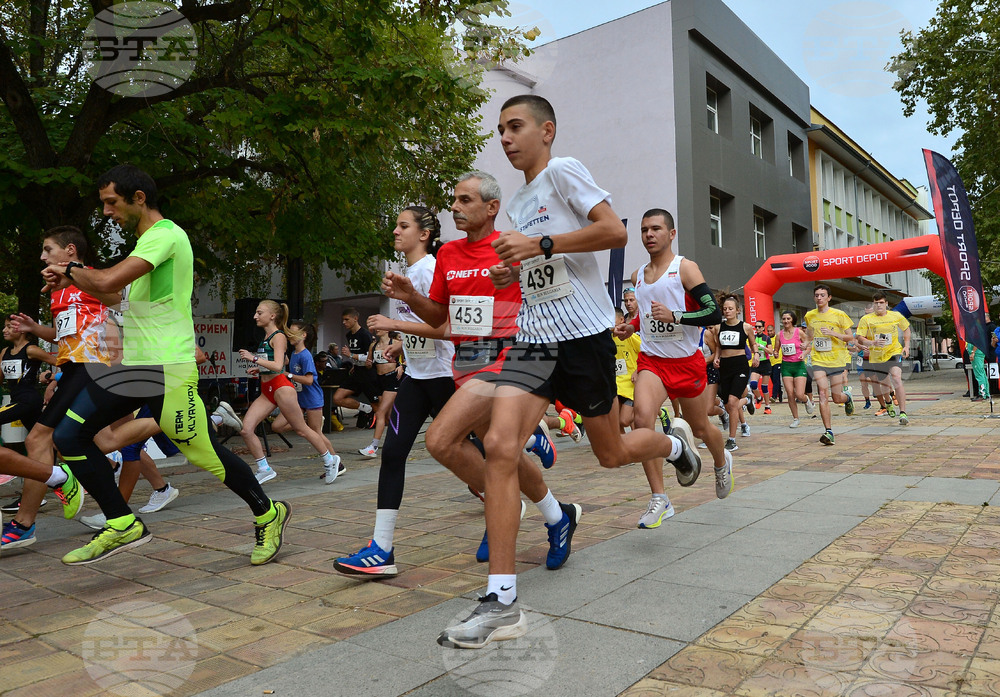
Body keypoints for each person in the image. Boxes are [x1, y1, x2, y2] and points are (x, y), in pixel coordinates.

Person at [434, 97, 707, 649]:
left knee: (612, 453)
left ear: (546, 130)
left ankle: (675, 448)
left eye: (516, 127)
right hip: (535, 338)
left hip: (583, 339)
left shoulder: (563, 171)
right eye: (501, 130)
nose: (506, 138)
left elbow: (613, 233)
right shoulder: (518, 203)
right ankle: (502, 601)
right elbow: (540, 268)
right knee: (501, 447)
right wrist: (516, 268)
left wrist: (541, 244)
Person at [41, 164, 288, 566]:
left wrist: (70, 270)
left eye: (111, 202)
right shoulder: (145, 248)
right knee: (69, 436)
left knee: (203, 453)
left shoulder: (166, 235)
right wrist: (74, 281)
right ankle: (122, 523)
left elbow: (106, 282)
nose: (106, 212)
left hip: (167, 367)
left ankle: (268, 512)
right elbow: (116, 295)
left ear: (139, 198)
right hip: (138, 368)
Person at [361, 177, 570, 584]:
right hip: (467, 365)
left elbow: (557, 292)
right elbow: (440, 317)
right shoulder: (450, 253)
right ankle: (559, 517)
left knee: (440, 440)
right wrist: (408, 296)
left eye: (465, 200)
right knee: (502, 455)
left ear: (491, 208)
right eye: (453, 201)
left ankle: (503, 524)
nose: (455, 207)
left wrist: (520, 280)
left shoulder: (513, 245)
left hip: (511, 360)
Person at [616, 209, 729, 530]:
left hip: (686, 363)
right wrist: (631, 326)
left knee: (700, 428)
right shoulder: (638, 275)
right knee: (641, 421)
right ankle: (659, 498)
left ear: (671, 234)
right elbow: (650, 316)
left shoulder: (685, 268)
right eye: (644, 230)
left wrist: (677, 316)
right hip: (652, 361)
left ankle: (722, 464)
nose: (649, 235)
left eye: (655, 229)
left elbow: (713, 313)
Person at [237, 301, 343, 484]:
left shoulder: (278, 337)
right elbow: (279, 363)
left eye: (259, 312)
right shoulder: (266, 337)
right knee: (246, 430)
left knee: (303, 429)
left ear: (272, 316)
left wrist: (253, 358)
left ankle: (330, 460)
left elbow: (278, 365)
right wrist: (260, 369)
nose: (255, 316)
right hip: (268, 389)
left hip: (281, 388)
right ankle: (264, 468)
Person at [269, 320, 348, 472]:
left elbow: (309, 380)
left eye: (293, 332)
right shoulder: (293, 353)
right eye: (289, 332)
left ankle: (337, 464)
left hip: (312, 399)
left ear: (303, 335)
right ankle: (302, 425)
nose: (289, 335)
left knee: (316, 433)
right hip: (298, 399)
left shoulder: (305, 356)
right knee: (277, 426)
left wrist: (289, 374)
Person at [804, 284, 855, 445]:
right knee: (823, 394)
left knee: (836, 398)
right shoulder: (810, 315)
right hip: (818, 360)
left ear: (829, 298)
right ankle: (828, 431)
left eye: (822, 295)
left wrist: (833, 333)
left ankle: (847, 398)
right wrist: (805, 344)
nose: (819, 298)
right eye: (817, 295)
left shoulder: (839, 315)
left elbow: (850, 338)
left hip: (836, 360)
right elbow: (810, 336)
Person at [855, 291, 911, 425]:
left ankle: (903, 412)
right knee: (885, 384)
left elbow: (906, 329)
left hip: (893, 352)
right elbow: (859, 337)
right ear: (873, 304)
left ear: (886, 304)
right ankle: (888, 402)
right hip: (877, 356)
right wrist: (871, 343)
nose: (879, 305)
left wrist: (906, 346)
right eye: (876, 303)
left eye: (881, 303)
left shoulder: (895, 316)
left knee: (897, 378)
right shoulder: (866, 319)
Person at [710, 293, 757, 451]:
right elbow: (718, 346)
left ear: (738, 310)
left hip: (740, 366)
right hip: (725, 367)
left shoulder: (746, 327)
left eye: (730, 309)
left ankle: (731, 439)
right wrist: (716, 358)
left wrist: (756, 355)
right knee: (729, 403)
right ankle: (748, 399)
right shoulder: (718, 328)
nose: (727, 311)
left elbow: (753, 344)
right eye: (725, 309)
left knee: (731, 402)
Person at [358, 328, 404, 457]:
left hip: (392, 379)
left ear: (387, 330)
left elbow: (408, 358)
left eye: (379, 328)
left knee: (380, 412)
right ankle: (399, 441)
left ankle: (373, 447)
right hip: (379, 380)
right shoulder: (374, 345)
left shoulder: (395, 342)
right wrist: (368, 363)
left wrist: (402, 366)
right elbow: (369, 364)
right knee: (389, 417)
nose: (376, 330)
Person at [333, 308, 379, 427]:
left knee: (377, 404)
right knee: (337, 398)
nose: (344, 322)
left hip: (368, 373)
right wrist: (354, 362)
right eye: (343, 320)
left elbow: (370, 357)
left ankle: (382, 428)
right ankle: (366, 409)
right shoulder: (349, 335)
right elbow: (356, 355)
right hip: (357, 372)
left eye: (346, 319)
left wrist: (351, 355)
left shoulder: (365, 334)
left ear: (355, 319)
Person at [776, 310, 812, 428]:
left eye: (788, 319)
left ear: (793, 320)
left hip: (799, 365)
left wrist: (804, 353)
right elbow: (776, 350)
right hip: (786, 366)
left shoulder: (799, 332)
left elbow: (809, 346)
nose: (786, 321)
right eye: (784, 319)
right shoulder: (779, 334)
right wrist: (775, 353)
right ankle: (796, 418)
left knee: (799, 394)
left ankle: (806, 400)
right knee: (790, 394)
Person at [612, 307, 640, 434]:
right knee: (615, 422)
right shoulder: (607, 339)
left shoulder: (630, 336)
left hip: (630, 386)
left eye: (612, 318)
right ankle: (626, 450)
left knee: (624, 420)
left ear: (621, 319)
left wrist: (637, 370)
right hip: (614, 386)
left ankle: (647, 413)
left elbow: (646, 352)